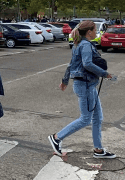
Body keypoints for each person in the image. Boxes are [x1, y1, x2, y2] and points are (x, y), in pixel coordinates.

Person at [48, 20, 117, 159]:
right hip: (85, 85)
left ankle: (98, 150)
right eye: (95, 29)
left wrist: (65, 80)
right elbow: (87, 64)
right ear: (89, 31)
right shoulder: (85, 45)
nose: (97, 31)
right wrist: (104, 74)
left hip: (88, 85)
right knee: (86, 119)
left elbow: (71, 65)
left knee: (98, 117)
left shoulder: (79, 44)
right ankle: (56, 138)